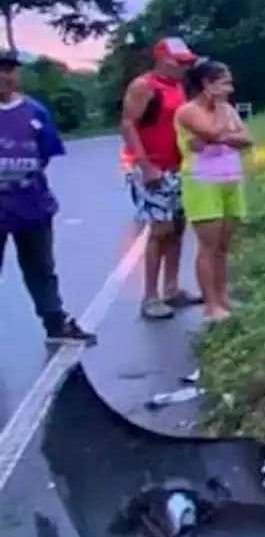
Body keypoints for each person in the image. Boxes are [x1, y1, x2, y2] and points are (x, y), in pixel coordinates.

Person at [0, 49, 97, 347]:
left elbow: (45, 155)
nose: (3, 76)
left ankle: (55, 322)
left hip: (33, 207)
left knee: (41, 269)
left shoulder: (35, 112)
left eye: (9, 69)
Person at [120, 36, 203, 319]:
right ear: (161, 59)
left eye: (186, 63)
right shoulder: (144, 86)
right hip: (152, 168)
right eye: (178, 62)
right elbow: (128, 125)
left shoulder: (178, 86)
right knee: (160, 230)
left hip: (176, 167)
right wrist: (145, 166)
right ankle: (150, 296)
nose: (183, 67)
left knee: (178, 228)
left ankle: (171, 289)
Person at [174, 59, 253, 322]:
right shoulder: (187, 111)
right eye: (224, 82)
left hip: (230, 177)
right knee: (208, 245)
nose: (230, 88)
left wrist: (220, 134)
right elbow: (211, 133)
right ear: (207, 84)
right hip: (202, 181)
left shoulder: (228, 108)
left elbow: (246, 139)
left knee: (223, 245)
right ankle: (211, 304)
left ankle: (223, 297)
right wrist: (220, 121)